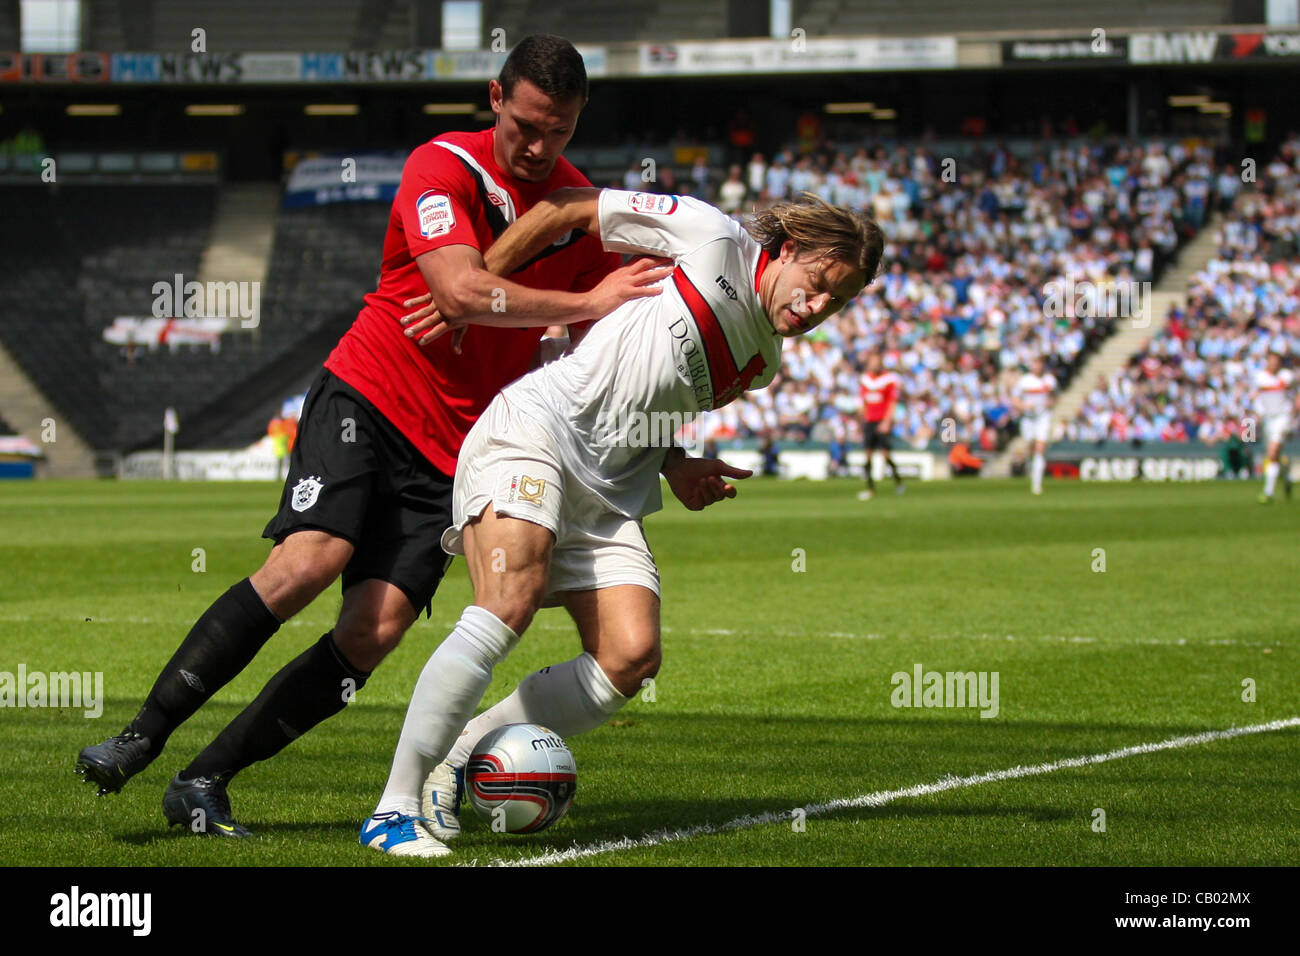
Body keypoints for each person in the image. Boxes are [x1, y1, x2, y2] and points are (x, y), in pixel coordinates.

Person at [75, 35, 668, 838]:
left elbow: (623, 344)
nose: (537, 146)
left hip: (459, 451)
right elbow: (457, 289)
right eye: (526, 124)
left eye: (557, 130)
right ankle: (142, 733)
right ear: (495, 99)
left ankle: (204, 779)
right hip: (371, 392)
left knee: (374, 629)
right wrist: (581, 302)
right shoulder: (444, 166)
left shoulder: (579, 209)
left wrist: (676, 447)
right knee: (307, 562)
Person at [362, 189, 880, 856]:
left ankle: (459, 750)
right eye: (815, 286)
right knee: (507, 603)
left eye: (835, 304)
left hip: (610, 492)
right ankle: (393, 810)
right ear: (786, 252)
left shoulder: (761, 365)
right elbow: (567, 208)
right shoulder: (711, 238)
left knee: (630, 660)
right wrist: (474, 287)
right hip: (537, 433)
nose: (815, 310)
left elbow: (652, 396)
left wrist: (677, 463)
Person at [857, 351, 903, 500]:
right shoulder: (865, 380)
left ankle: (898, 481)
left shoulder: (888, 380)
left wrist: (887, 421)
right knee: (868, 455)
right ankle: (870, 488)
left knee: (885, 455)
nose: (874, 365)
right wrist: (861, 421)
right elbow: (863, 401)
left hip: (882, 420)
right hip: (869, 421)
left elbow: (892, 402)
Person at [1252, 350, 1296, 503]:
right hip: (1267, 420)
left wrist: (1294, 415)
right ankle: (1287, 476)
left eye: (1277, 361)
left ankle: (1268, 492)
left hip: (1283, 418)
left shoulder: (1287, 376)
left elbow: (1296, 395)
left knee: (1272, 453)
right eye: (1271, 360)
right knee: (1273, 457)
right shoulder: (1260, 377)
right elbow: (1256, 398)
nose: (1274, 363)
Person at [1014, 356, 1057, 495]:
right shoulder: (1024, 381)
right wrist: (1025, 406)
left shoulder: (1050, 380)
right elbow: (1014, 399)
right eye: (1035, 364)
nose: (1038, 367)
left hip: (1043, 417)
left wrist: (1051, 402)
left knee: (1040, 447)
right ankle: (1029, 466)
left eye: (1040, 364)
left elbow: (1055, 396)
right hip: (1028, 418)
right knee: (1031, 447)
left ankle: (1037, 484)